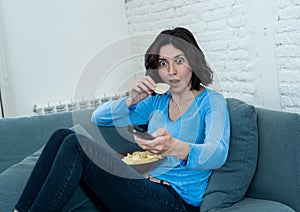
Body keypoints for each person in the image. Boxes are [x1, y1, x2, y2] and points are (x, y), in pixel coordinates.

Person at [14, 27, 230, 212]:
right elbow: (99, 117)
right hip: (145, 186)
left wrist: (174, 147)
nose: (171, 71)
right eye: (163, 63)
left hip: (176, 202)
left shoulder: (212, 102)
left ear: (193, 62)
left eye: (179, 61)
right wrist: (130, 100)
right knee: (62, 135)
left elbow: (217, 153)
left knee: (75, 144)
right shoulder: (157, 102)